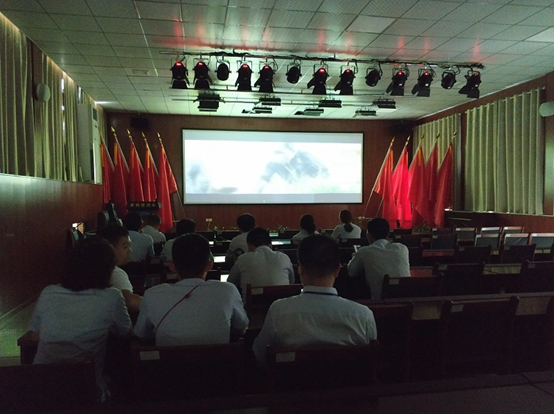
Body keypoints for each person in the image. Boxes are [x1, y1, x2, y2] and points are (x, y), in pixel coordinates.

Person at [28, 238, 132, 399]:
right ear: (108, 269)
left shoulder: (49, 292)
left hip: (41, 385)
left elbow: (34, 334)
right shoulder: (112, 296)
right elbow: (125, 331)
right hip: (86, 388)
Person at [252, 234, 377, 366]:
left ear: (300, 269)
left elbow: (260, 354)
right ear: (337, 270)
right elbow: (369, 362)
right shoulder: (364, 316)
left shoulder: (279, 311)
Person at [134, 233, 249, 346]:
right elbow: (241, 327)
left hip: (169, 359)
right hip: (218, 359)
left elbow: (140, 334)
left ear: (172, 266)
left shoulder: (152, 295)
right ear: (209, 265)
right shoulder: (228, 291)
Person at [347, 218, 410, 299]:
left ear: (368, 235)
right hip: (405, 298)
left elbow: (351, 272)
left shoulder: (364, 251)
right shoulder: (402, 248)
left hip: (379, 301)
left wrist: (354, 257)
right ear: (387, 234)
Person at [227, 227, 295, 301]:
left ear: (249, 246)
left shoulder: (243, 259)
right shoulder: (284, 257)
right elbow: (291, 281)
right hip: (281, 305)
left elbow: (230, 283)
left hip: (252, 307)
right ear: (270, 244)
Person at [96, 223, 143, 312]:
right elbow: (130, 302)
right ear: (110, 248)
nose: (130, 250)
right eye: (125, 247)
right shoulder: (115, 273)